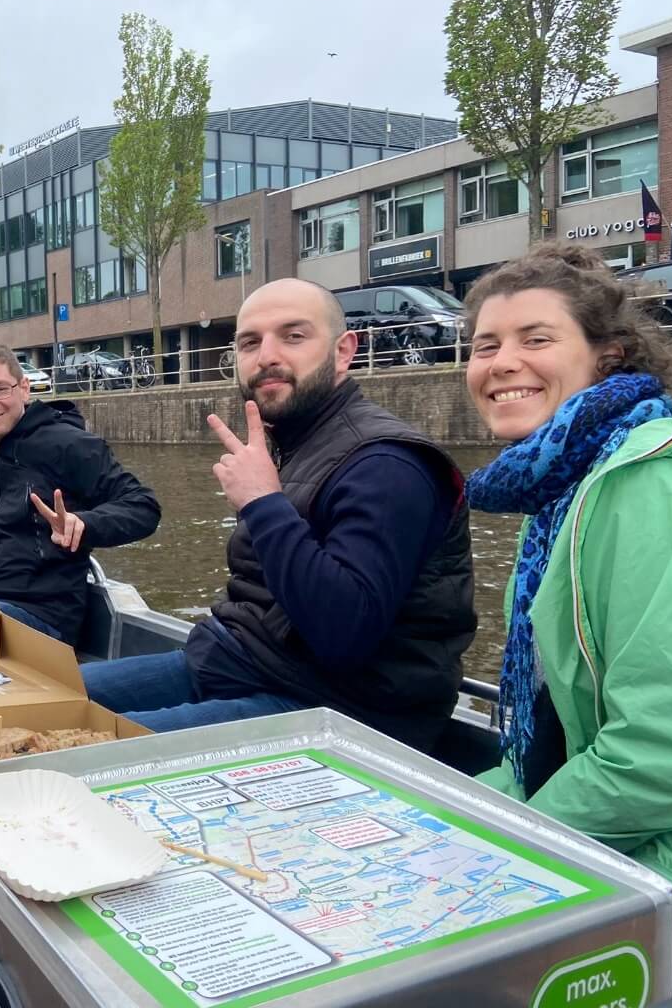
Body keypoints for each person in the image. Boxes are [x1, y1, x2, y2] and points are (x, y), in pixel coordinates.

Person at [80, 279, 476, 751]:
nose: (267, 356)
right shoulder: (301, 442)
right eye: (251, 342)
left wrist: (264, 503)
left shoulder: (386, 464)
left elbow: (342, 633)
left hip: (340, 708)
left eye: (293, 336)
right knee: (43, 702)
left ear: (344, 351)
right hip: (242, 660)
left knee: (70, 750)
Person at [460, 244, 672, 990]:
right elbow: (554, 734)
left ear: (607, 358)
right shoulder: (564, 483)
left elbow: (667, 751)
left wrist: (508, 838)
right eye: (485, 345)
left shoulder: (649, 488)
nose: (502, 362)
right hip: (619, 823)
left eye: (536, 339)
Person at [0, 338, 161, 645]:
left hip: (41, 617)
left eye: (1, 389)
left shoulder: (70, 445)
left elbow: (143, 507)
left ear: (24, 389)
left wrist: (83, 523)